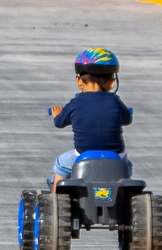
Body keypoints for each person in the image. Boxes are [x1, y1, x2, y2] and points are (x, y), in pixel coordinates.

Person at [48, 48, 132, 187]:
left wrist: (57, 114)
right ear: (112, 82)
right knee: (128, 166)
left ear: (79, 81)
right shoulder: (115, 102)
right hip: (116, 157)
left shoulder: (75, 103)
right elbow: (127, 119)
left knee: (61, 164)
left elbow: (59, 122)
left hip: (82, 156)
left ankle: (56, 200)